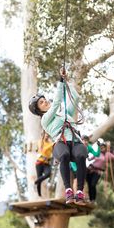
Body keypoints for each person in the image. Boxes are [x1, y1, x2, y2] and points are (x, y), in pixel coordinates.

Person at [29, 68, 88, 204]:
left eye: (44, 100)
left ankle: (79, 190)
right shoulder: (45, 120)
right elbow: (56, 103)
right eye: (41, 103)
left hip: (75, 140)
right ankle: (68, 190)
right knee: (64, 155)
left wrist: (66, 82)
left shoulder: (62, 112)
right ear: (39, 110)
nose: (45, 102)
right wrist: (60, 81)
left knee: (81, 155)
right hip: (61, 143)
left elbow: (76, 98)